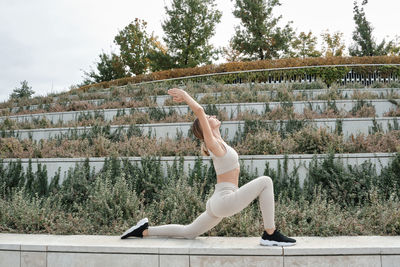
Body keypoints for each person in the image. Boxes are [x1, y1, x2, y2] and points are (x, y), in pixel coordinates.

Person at [120, 88, 296, 246]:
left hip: (219, 201)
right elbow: (199, 110)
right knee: (266, 181)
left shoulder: (220, 143)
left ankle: (144, 230)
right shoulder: (212, 144)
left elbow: (203, 115)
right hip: (224, 200)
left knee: (188, 232)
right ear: (204, 127)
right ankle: (270, 234)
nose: (212, 116)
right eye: (208, 118)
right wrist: (186, 95)